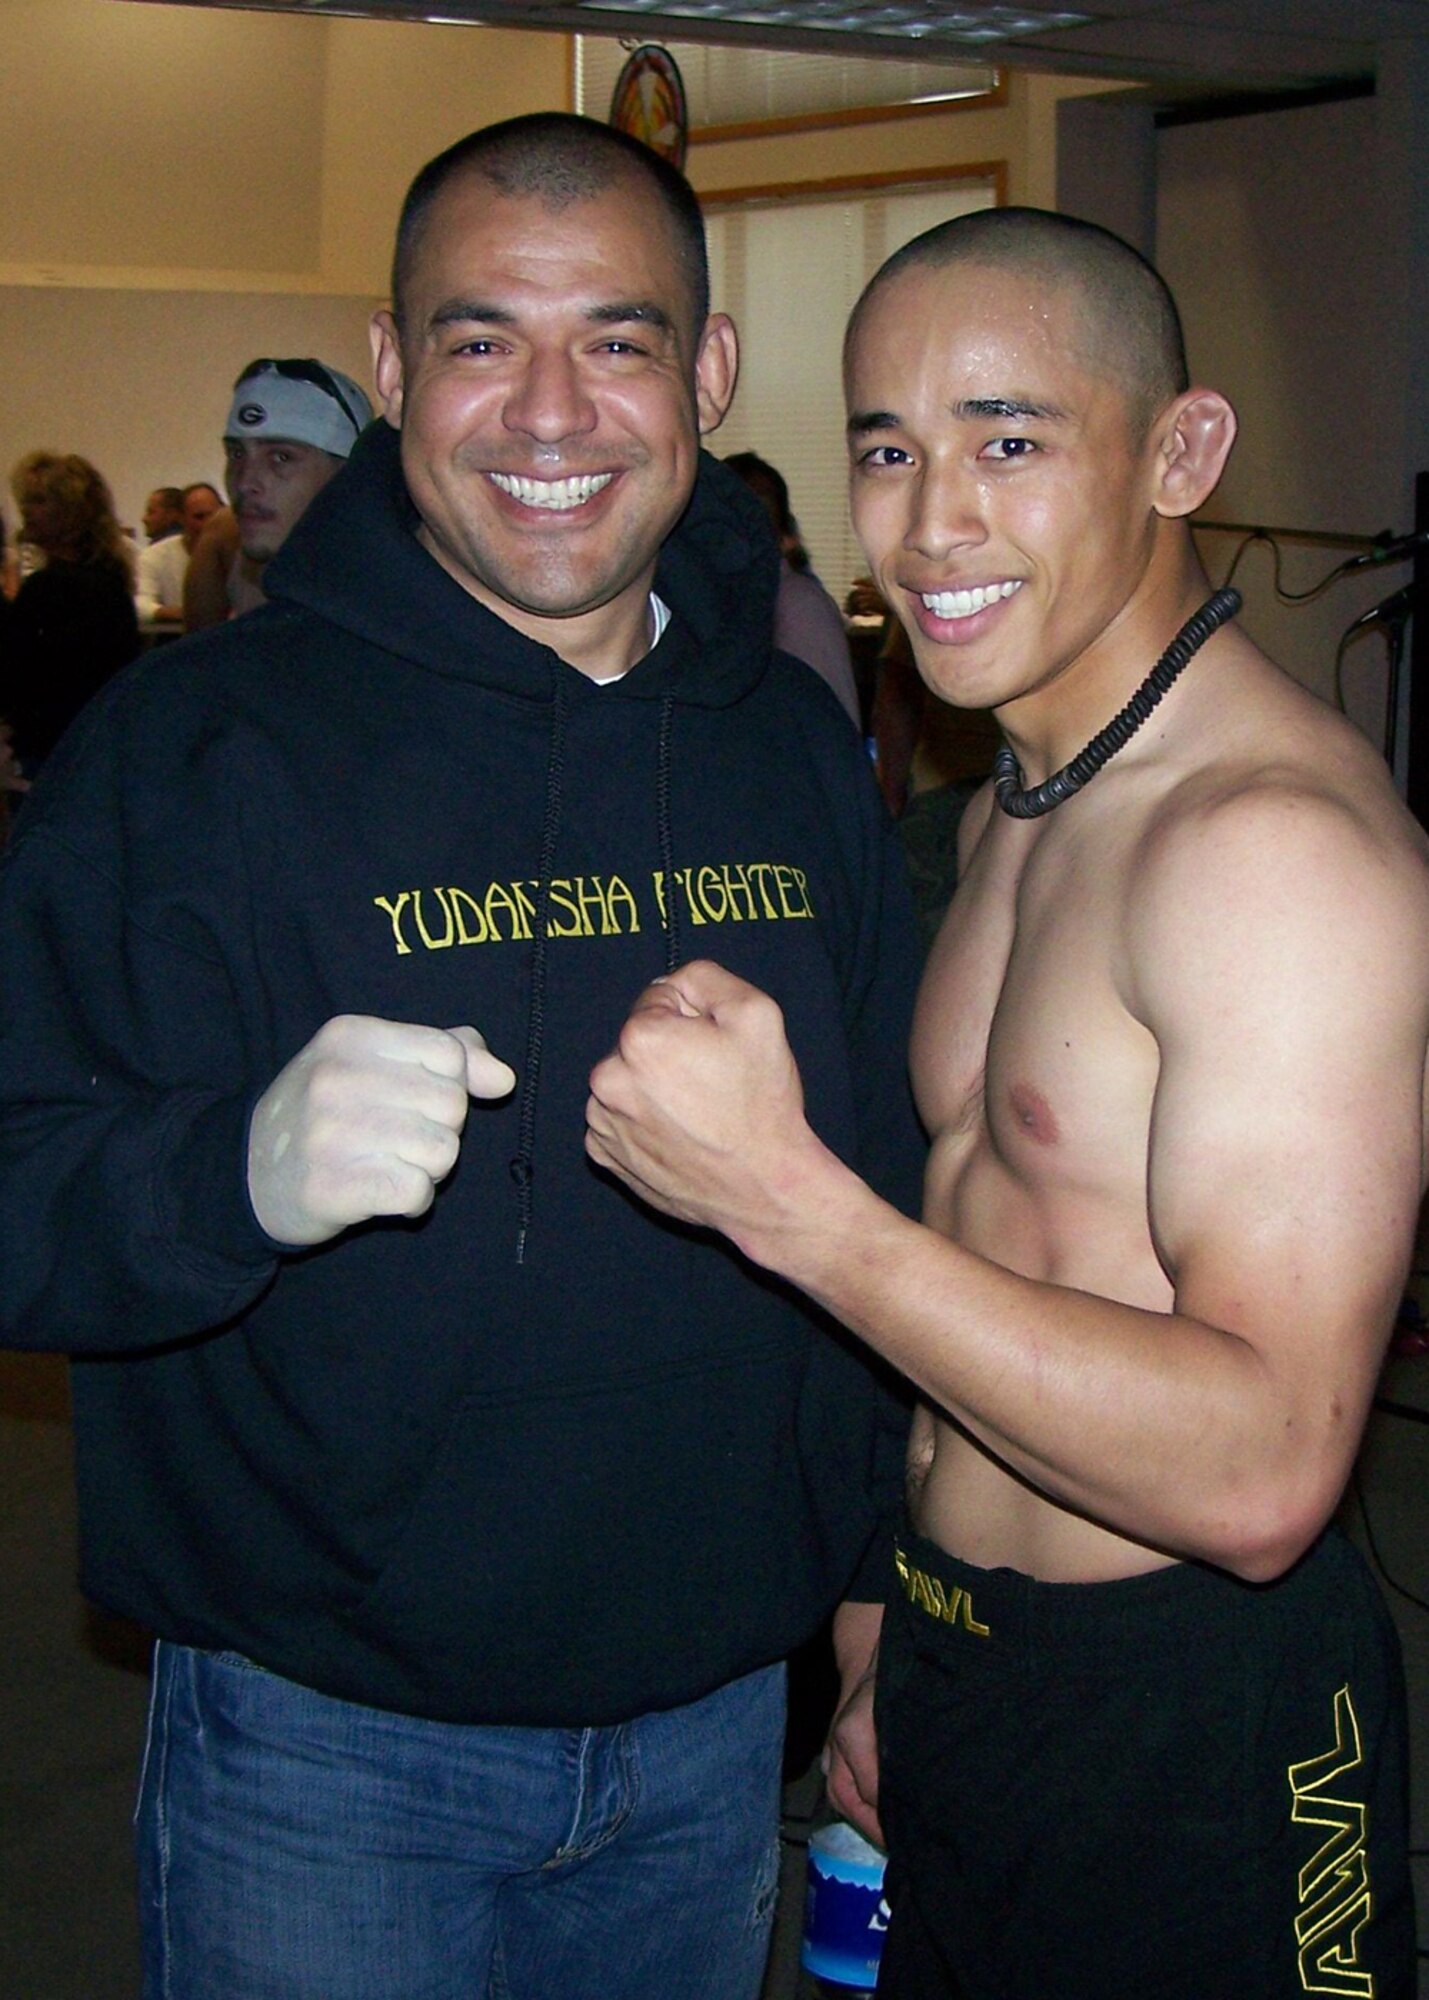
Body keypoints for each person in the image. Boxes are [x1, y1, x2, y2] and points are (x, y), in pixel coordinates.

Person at [0, 113, 922, 2000]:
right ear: (394, 368)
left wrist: (872, 1588)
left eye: (620, 339)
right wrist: (229, 1172)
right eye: (484, 339)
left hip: (702, 1737)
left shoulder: (782, 752)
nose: (551, 411)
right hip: (320, 1750)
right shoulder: (185, 753)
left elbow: (878, 1196)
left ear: (712, 373)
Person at [586, 207, 1429, 1999]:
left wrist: (784, 1201)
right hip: (966, 1657)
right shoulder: (1014, 805)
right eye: (884, 447)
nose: (927, 519)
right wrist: (894, 1597)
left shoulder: (1266, 854)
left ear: (1177, 452)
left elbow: (1270, 1466)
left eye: (1007, 440)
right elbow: (1005, 1249)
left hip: (1197, 1713)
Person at [182, 357, 373, 627]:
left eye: (282, 457)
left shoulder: (404, 598)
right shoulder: (225, 539)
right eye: (237, 453)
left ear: (348, 475)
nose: (245, 482)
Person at [1, 449, 140, 774]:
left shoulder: (50, 587)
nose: (26, 510)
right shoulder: (110, 578)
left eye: (39, 501)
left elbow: (16, 671)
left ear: (70, 511)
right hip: (93, 741)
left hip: (49, 746)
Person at [725, 448, 862, 729]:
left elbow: (830, 726)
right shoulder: (718, 606)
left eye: (758, 509)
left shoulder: (799, 604)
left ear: (784, 532)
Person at [134, 483, 189, 622]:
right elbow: (139, 605)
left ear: (172, 515)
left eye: (151, 512)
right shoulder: (152, 556)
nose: (144, 519)